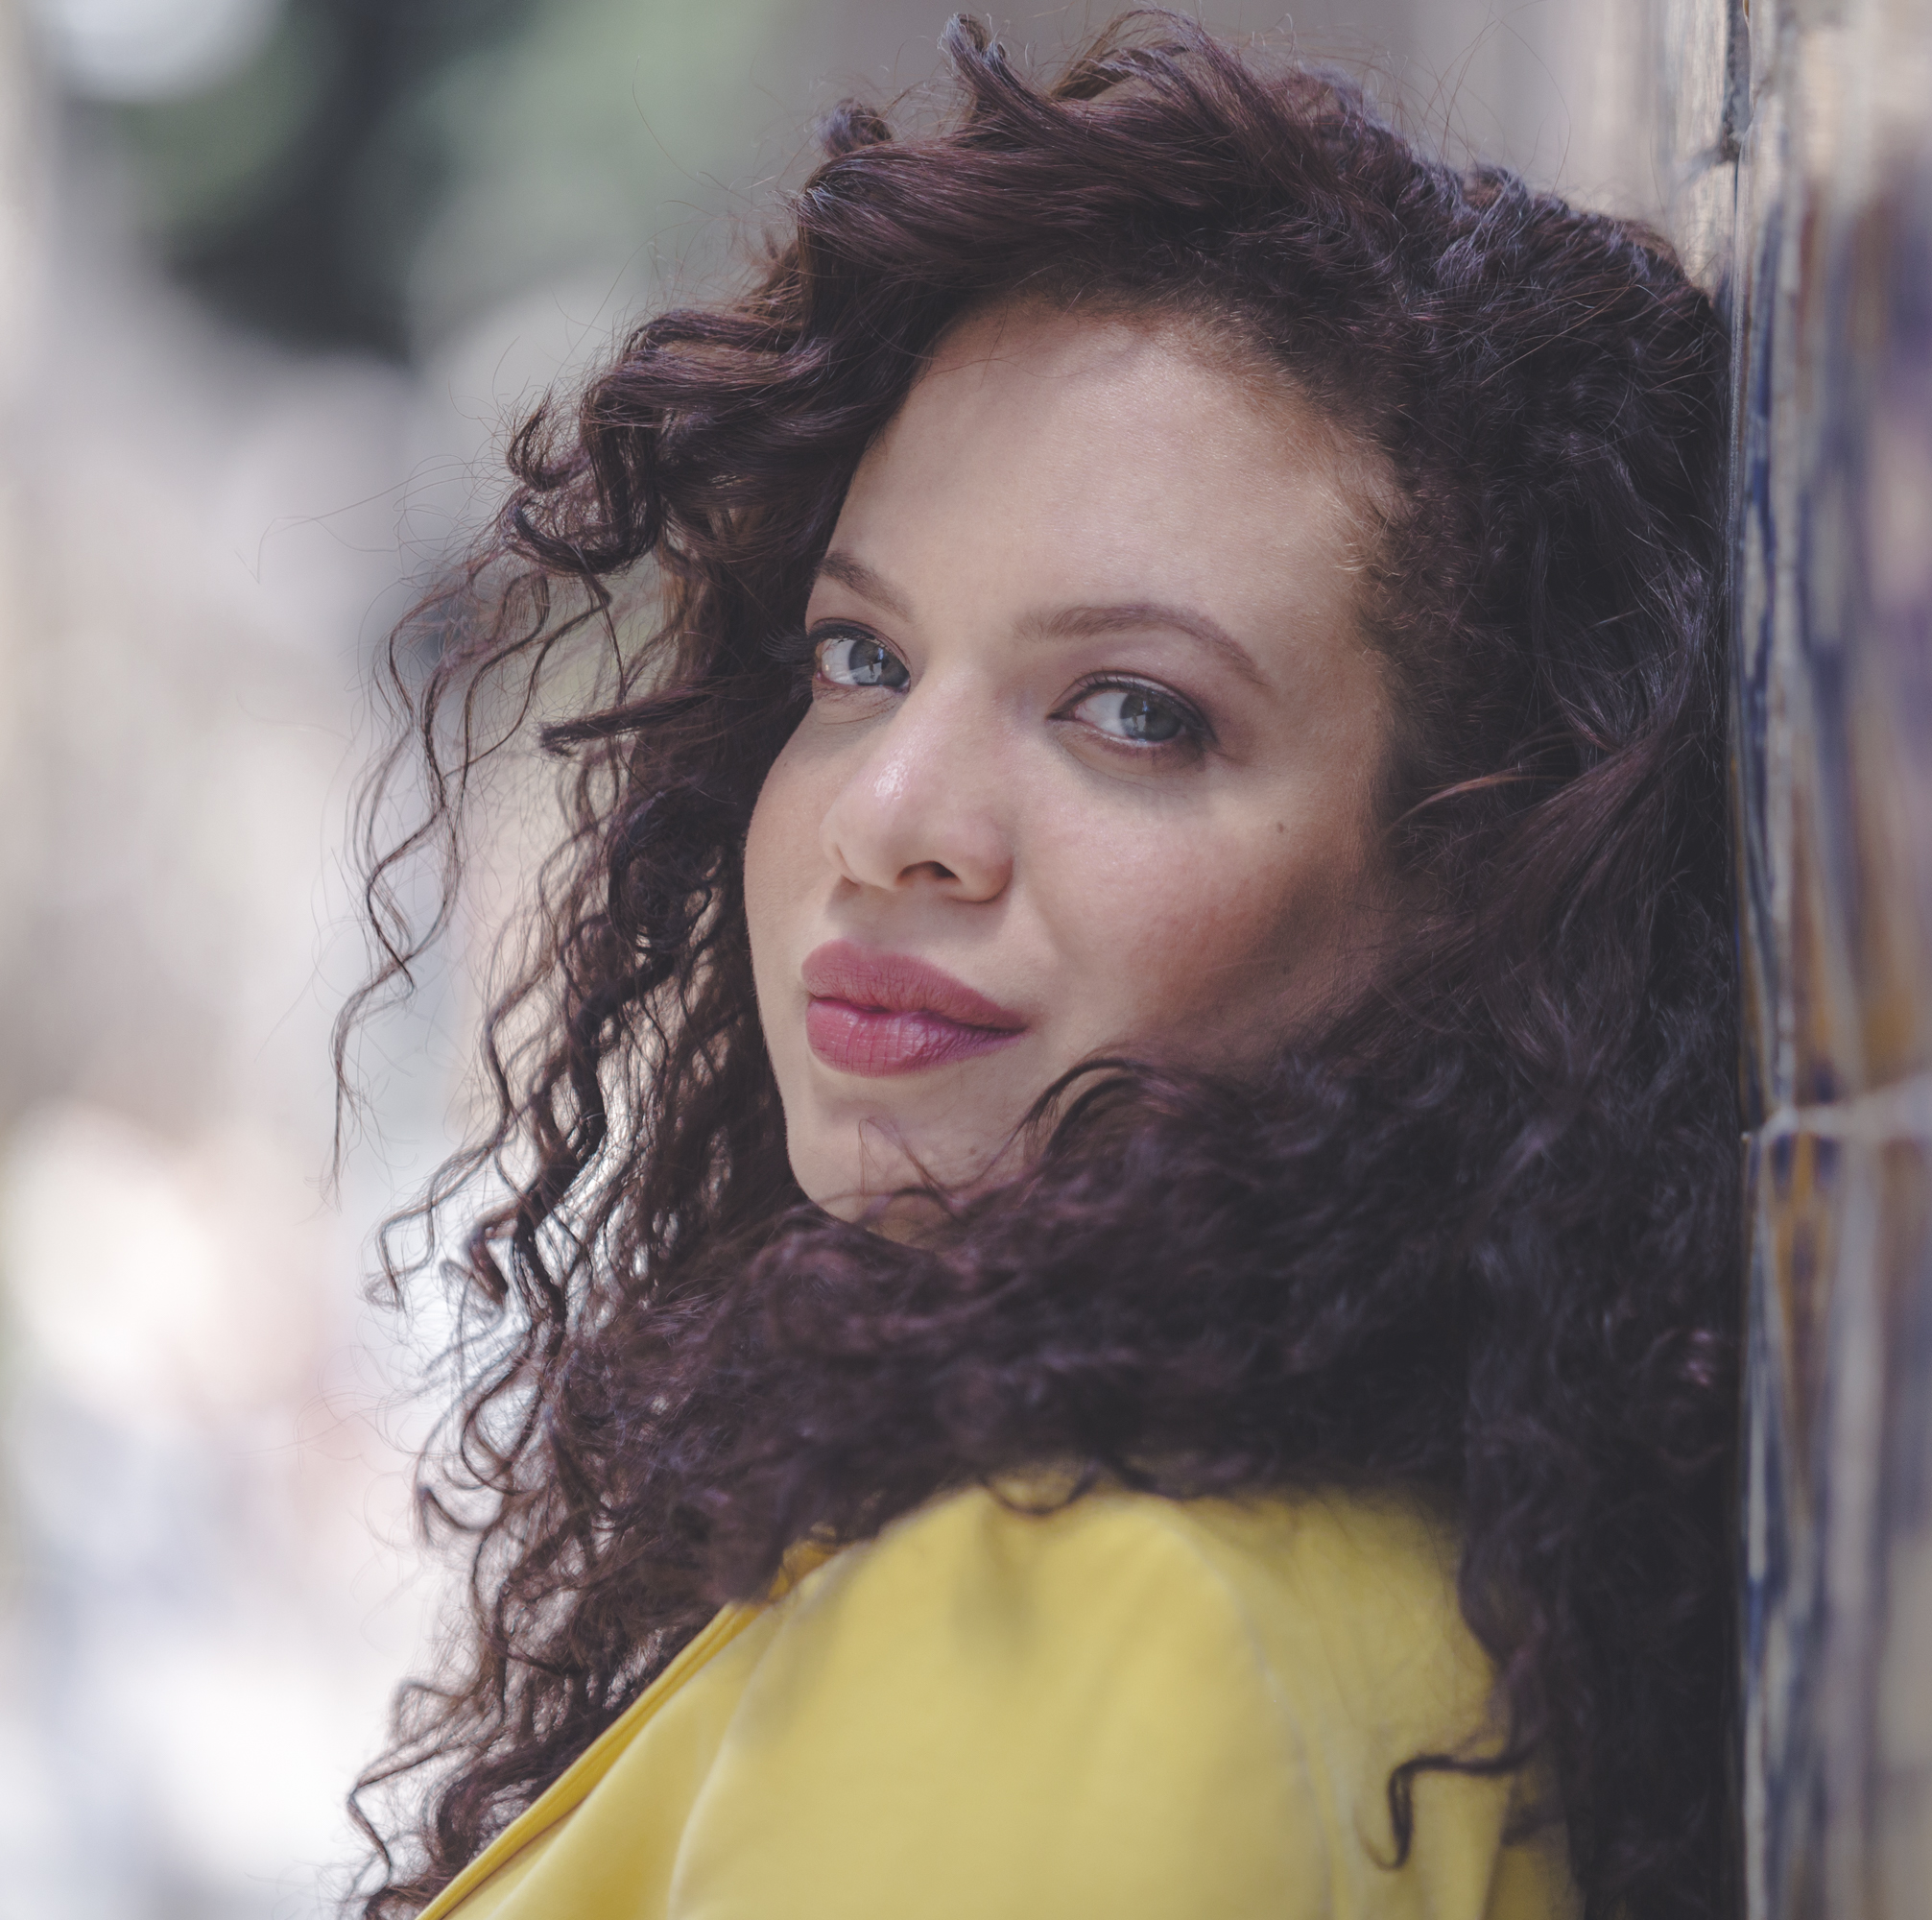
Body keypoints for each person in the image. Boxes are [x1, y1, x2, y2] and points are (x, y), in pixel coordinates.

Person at [344, 14, 1738, 1917]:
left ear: (1475, 879)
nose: (891, 812)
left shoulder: (1080, 1610)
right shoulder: (1402, 1600)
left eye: (1138, 712)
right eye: (861, 658)